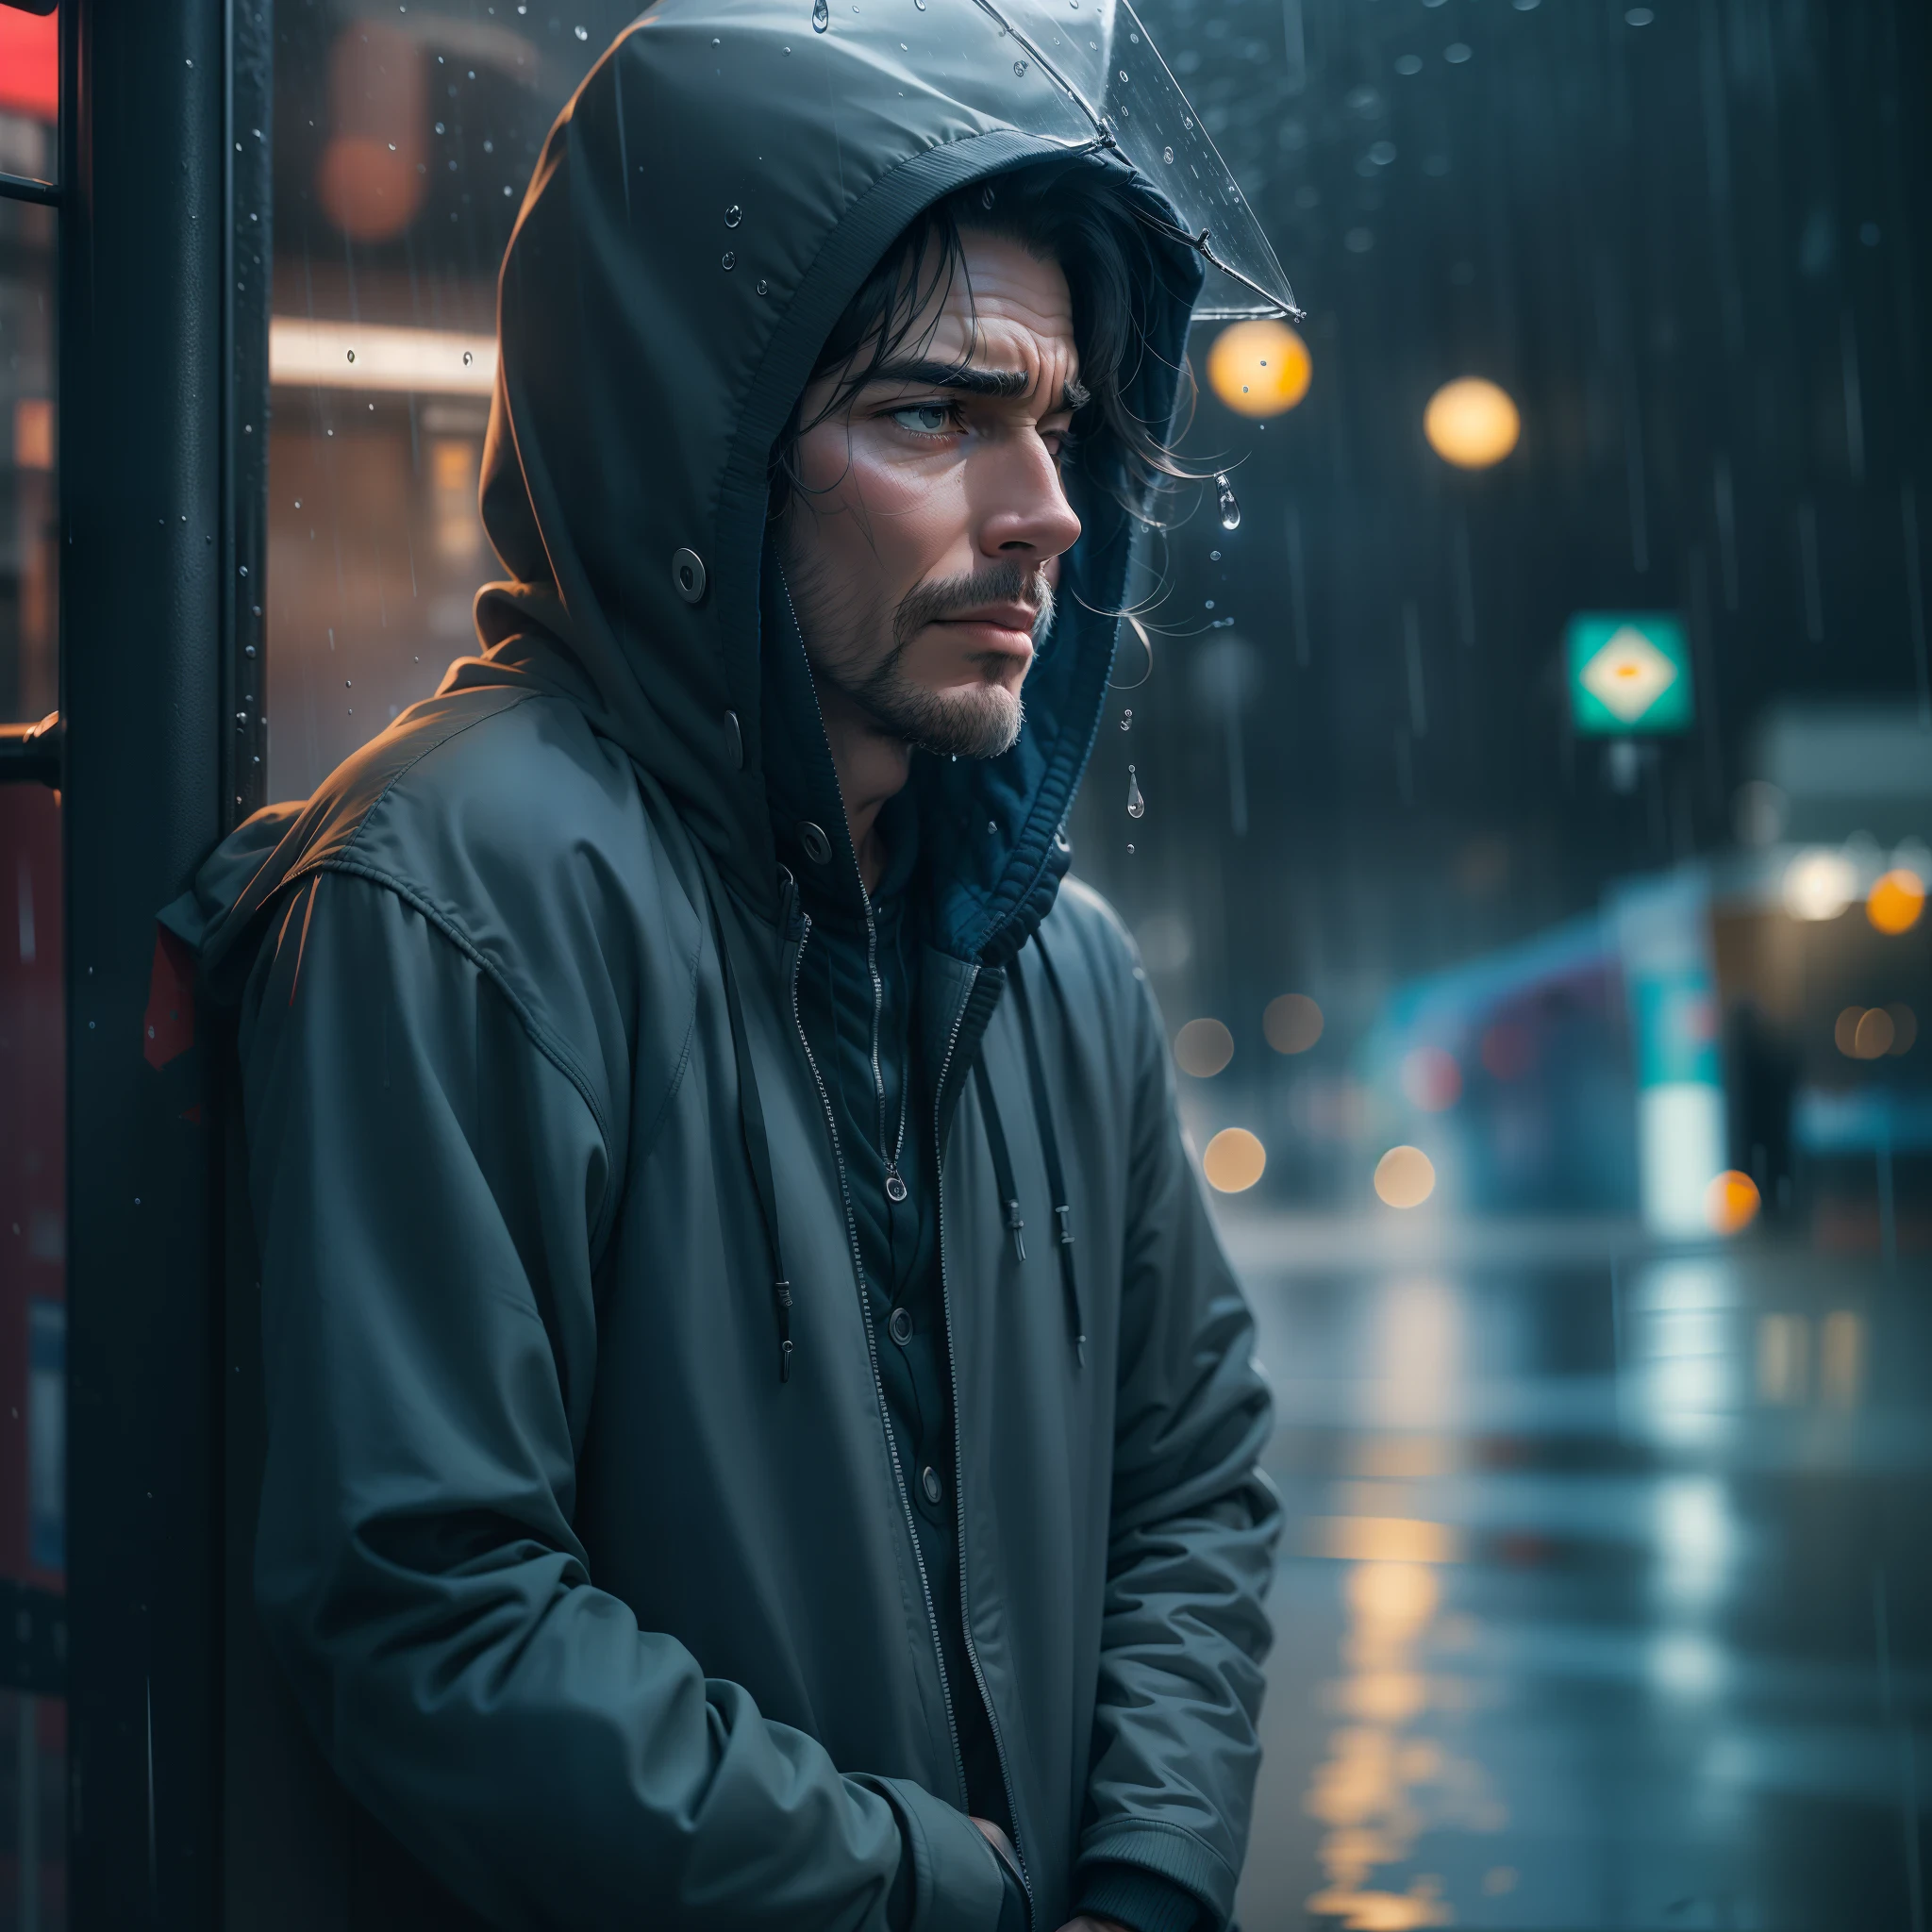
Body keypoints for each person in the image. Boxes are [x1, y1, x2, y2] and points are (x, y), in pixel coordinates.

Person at [166, 7, 1280, 1928]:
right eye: (934, 414)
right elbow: (432, 1603)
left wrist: (1145, 1884)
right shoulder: (458, 897)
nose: (1046, 517)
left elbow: (1190, 1478)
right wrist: (923, 1891)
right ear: (710, 458)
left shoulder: (1051, 954)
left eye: (1065, 424)